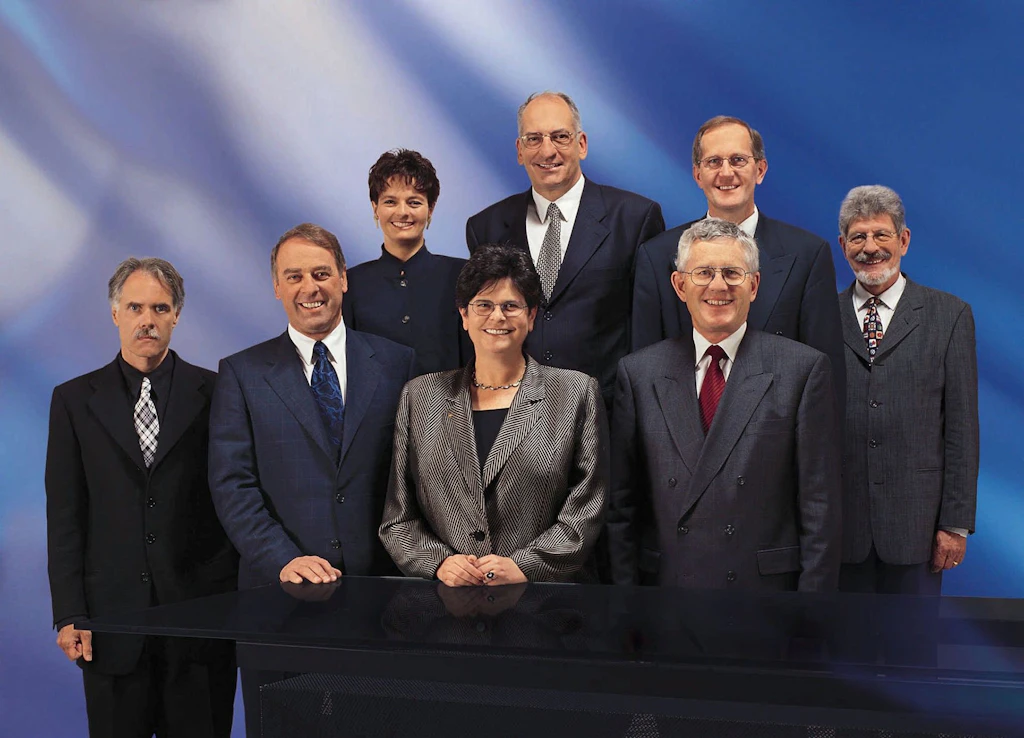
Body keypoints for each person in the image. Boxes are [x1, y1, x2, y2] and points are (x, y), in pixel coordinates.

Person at [208, 223, 414, 735]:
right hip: (277, 600)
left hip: (378, 602)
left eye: (321, 273)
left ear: (343, 278)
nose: (310, 288)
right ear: (277, 286)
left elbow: (415, 474)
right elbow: (232, 484)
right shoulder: (242, 373)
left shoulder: (396, 363)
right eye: (294, 276)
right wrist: (284, 558)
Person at [46, 258, 237, 737]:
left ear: (177, 315)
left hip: (200, 627)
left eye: (160, 308)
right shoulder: (73, 401)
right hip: (110, 628)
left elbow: (236, 498)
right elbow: (66, 515)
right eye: (135, 307)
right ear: (115, 313)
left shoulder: (219, 393)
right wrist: (69, 614)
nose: (147, 320)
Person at [608, 219, 841, 591]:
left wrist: (810, 612)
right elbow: (621, 510)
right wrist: (626, 607)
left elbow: (820, 509)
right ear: (679, 285)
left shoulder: (803, 370)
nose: (718, 286)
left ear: (754, 285)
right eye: (703, 273)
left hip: (765, 598)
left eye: (733, 273)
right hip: (666, 596)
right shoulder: (639, 373)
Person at [380, 243, 608, 586]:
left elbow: (587, 509)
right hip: (447, 604)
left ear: (531, 316)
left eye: (511, 306)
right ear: (464, 315)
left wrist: (525, 566)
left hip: (543, 603)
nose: (497, 317)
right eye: (483, 305)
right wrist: (439, 563)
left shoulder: (575, 393)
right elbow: (398, 519)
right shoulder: (420, 396)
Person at [631, 115, 845, 414]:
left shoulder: (808, 255)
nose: (726, 172)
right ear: (697, 174)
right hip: (683, 432)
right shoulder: (657, 256)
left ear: (760, 170)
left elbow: (827, 380)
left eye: (738, 160)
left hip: (777, 434)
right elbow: (643, 376)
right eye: (713, 162)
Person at [466, 91, 664, 407]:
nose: (547, 151)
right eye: (534, 139)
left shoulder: (635, 219)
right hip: (513, 412)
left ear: (581, 144)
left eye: (560, 137)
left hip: (606, 413)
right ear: (519, 150)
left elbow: (651, 335)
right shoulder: (486, 227)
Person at [836, 185, 978, 595]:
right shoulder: (821, 314)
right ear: (843, 246)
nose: (870, 247)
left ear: (904, 240)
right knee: (842, 639)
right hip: (840, 531)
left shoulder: (950, 315)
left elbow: (962, 429)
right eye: (858, 237)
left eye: (881, 234)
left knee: (912, 637)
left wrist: (955, 524)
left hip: (918, 528)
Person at [345, 149, 471, 375]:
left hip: (450, 398)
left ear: (430, 209)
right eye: (390, 202)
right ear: (375, 208)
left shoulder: (463, 275)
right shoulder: (350, 284)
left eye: (414, 202)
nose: (402, 212)